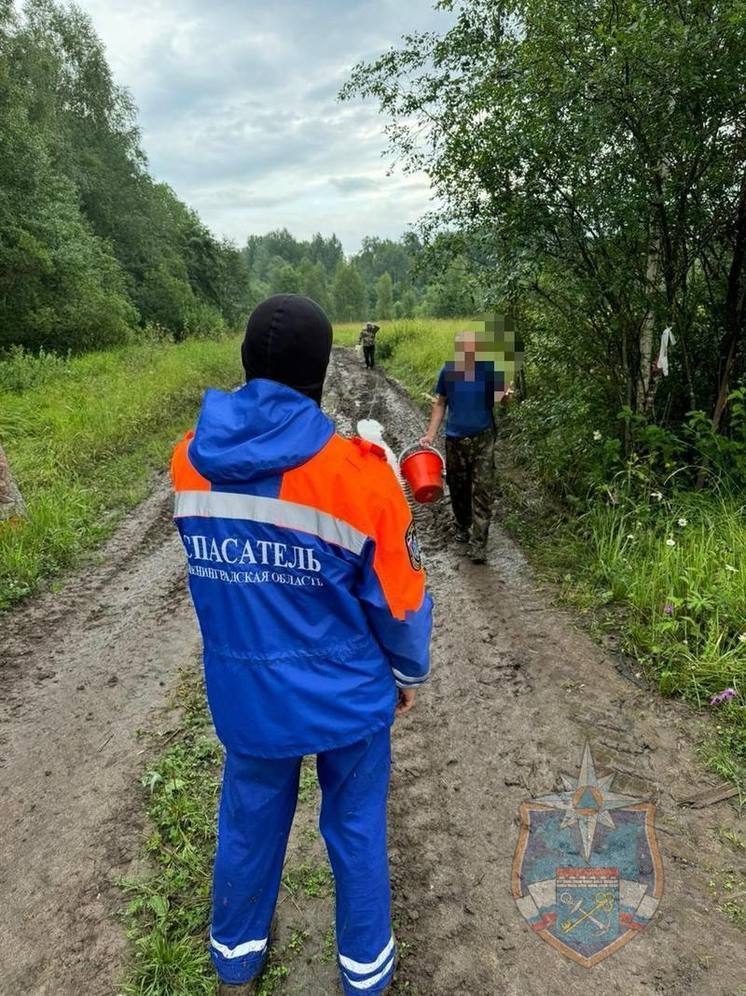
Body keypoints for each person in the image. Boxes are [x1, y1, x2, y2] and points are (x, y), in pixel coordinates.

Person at [171, 294, 433, 996]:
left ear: (246, 363)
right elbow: (400, 600)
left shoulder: (188, 464)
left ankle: (236, 961)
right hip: (347, 698)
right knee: (354, 830)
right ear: (322, 374)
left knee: (249, 825)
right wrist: (406, 672)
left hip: (247, 697)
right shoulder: (359, 476)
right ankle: (364, 975)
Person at [420, 330, 512, 564]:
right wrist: (430, 435)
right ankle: (462, 524)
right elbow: (440, 403)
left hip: (483, 437)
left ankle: (479, 544)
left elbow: (501, 397)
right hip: (455, 440)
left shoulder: (489, 370)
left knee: (483, 489)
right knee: (458, 487)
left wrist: (506, 396)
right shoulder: (448, 371)